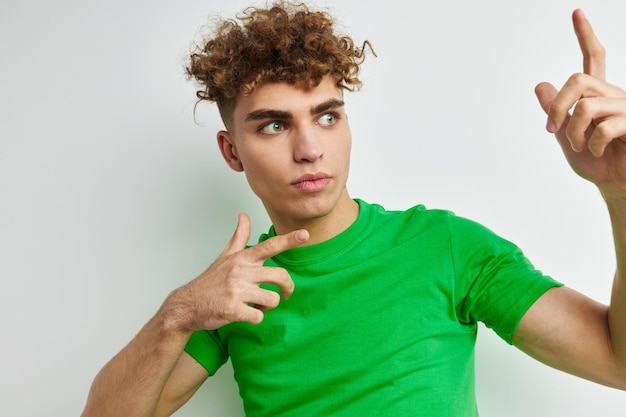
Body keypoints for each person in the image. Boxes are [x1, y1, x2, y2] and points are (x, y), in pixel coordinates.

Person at [80, 2, 626, 416]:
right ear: (231, 152)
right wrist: (178, 314)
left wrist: (620, 191)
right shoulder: (232, 293)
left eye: (326, 116)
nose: (309, 148)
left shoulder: (446, 246)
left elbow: (616, 362)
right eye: (274, 124)